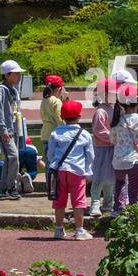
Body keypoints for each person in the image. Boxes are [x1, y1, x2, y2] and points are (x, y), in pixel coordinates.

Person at [46, 100, 94, 241]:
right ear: (79, 116)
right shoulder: (84, 134)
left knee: (59, 200)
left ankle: (59, 229)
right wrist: (87, 169)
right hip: (77, 170)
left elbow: (50, 153)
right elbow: (90, 155)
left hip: (59, 170)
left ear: (62, 116)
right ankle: (79, 230)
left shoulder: (56, 132)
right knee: (78, 201)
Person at [111, 84, 138, 215]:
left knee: (119, 183)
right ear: (137, 102)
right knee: (134, 186)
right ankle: (133, 207)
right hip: (135, 159)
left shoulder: (117, 120)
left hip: (118, 159)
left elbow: (112, 140)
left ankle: (118, 208)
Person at [0, 60, 25, 199]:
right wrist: (3, 130)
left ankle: (4, 189)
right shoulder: (1, 90)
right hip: (6, 130)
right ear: (7, 75)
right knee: (13, 157)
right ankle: (10, 186)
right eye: (16, 74)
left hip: (14, 129)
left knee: (10, 159)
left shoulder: (13, 90)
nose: (19, 76)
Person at [88, 80, 116, 217]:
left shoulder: (113, 109)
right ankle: (95, 203)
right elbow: (99, 131)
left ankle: (108, 203)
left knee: (111, 178)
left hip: (112, 148)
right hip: (101, 148)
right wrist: (114, 138)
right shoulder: (100, 112)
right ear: (104, 94)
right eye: (112, 92)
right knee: (98, 177)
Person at [40, 75, 64, 154]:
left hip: (45, 134)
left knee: (49, 161)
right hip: (55, 135)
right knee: (56, 162)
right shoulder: (57, 102)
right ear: (59, 89)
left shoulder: (44, 99)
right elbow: (60, 119)